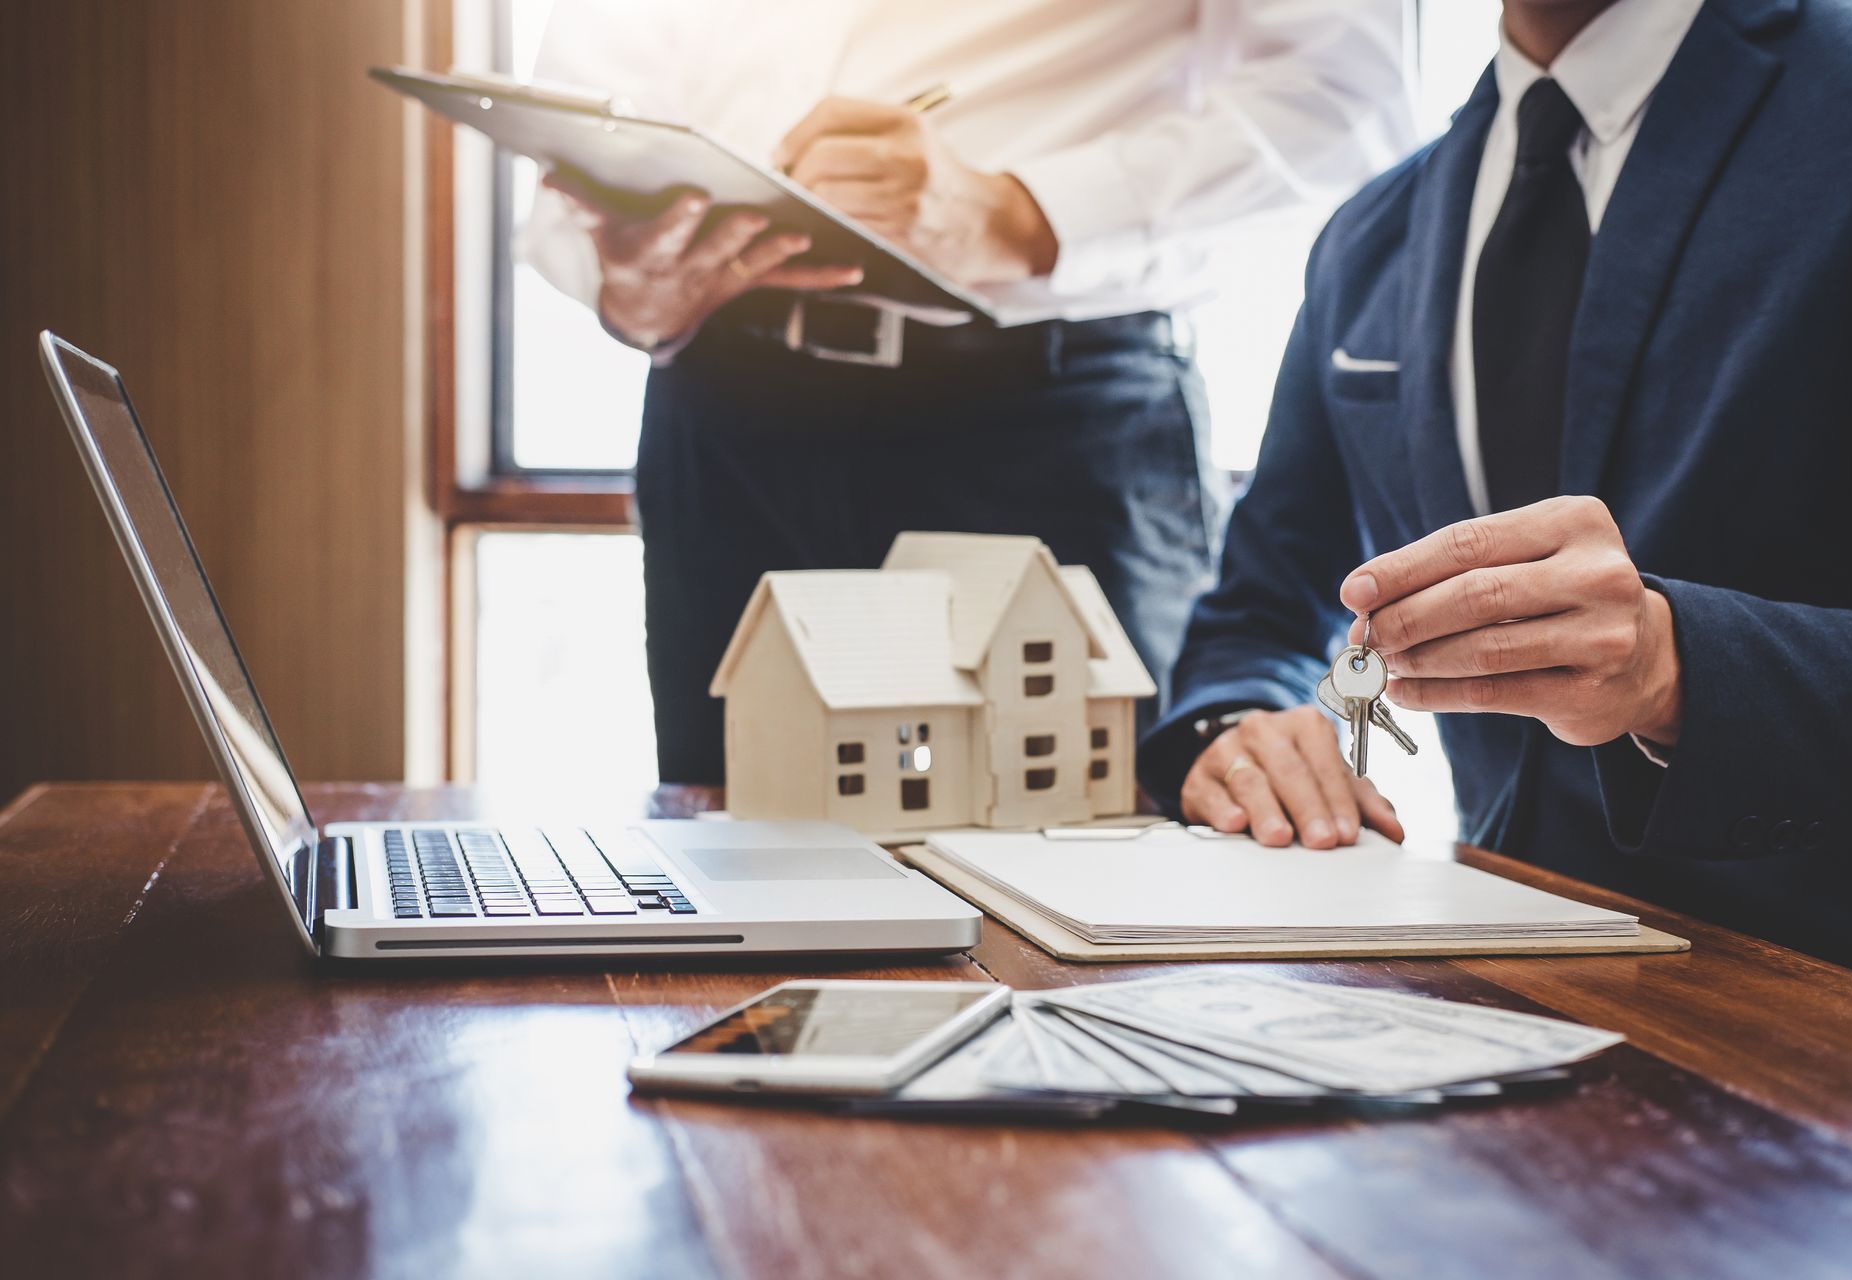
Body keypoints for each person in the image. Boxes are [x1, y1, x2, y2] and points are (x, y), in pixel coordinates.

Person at [1140, 0, 1852, 987]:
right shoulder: (1371, 235)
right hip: (1491, 988)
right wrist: (1238, 732)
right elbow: (1258, 612)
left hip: (1840, 1019)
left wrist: (1672, 670)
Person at [519, 0, 1416, 787]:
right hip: (720, 404)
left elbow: (1345, 99)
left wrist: (1024, 211)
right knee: (734, 849)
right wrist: (618, 282)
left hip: (1042, 412)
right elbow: (583, 107)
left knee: (1096, 871)